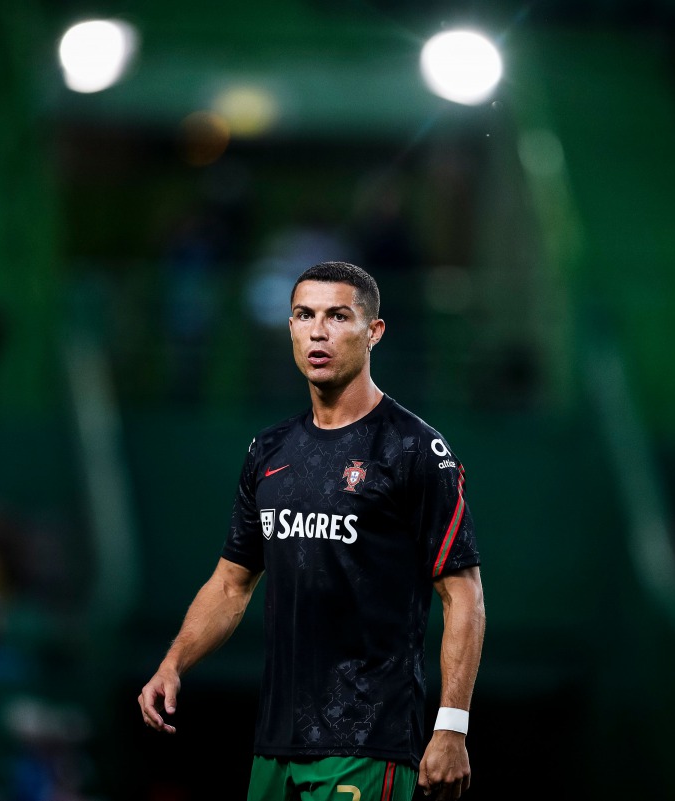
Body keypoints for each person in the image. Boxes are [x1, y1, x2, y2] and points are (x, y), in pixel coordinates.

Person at [139, 262, 485, 800]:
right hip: (275, 743)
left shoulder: (416, 452)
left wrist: (452, 727)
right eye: (304, 315)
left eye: (337, 316)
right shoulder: (269, 451)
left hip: (368, 741)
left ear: (374, 332)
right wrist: (173, 662)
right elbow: (231, 584)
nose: (317, 331)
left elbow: (463, 598)